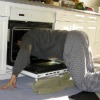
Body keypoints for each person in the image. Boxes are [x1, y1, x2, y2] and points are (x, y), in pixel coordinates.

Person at [0, 28, 99, 92]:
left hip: (72, 41)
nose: (20, 46)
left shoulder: (27, 37)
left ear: (19, 41)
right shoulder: (36, 33)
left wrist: (14, 74)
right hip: (79, 35)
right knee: (90, 73)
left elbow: (25, 50)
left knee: (82, 82)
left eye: (18, 45)